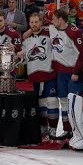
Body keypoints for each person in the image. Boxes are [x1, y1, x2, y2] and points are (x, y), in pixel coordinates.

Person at [17, 13, 58, 141]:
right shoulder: (26, 39)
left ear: (41, 22)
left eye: (36, 22)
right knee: (40, 105)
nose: (34, 25)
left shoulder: (49, 32)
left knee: (51, 102)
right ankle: (43, 128)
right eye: (32, 22)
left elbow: (58, 28)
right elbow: (23, 58)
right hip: (34, 76)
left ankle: (53, 129)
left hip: (49, 73)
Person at [49, 9, 83, 139]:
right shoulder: (52, 29)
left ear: (61, 19)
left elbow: (82, 55)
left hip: (73, 74)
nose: (52, 21)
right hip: (60, 73)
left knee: (74, 103)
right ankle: (67, 129)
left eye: (54, 19)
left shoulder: (74, 32)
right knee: (63, 102)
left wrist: (76, 72)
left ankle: (78, 132)